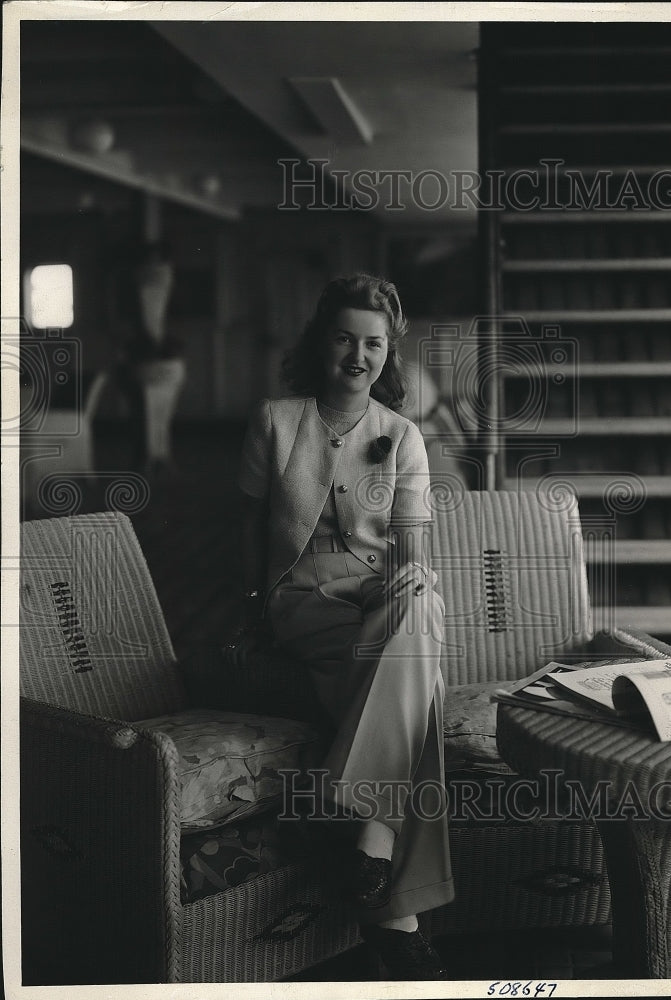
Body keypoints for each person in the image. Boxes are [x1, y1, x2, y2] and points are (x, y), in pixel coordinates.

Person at [237, 274, 453, 980]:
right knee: (417, 690)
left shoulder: (404, 436)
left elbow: (411, 556)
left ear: (388, 354)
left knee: (418, 602)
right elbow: (245, 537)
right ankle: (387, 870)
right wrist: (250, 619)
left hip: (376, 600)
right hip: (301, 600)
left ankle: (379, 868)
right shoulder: (274, 420)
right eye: (343, 339)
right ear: (318, 342)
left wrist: (406, 581)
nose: (358, 356)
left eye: (373, 344)